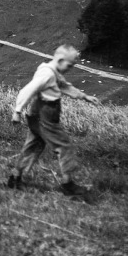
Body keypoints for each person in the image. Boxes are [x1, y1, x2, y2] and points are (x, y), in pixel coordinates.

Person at [7, 44, 99, 196]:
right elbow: (28, 90)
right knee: (64, 146)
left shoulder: (51, 71)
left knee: (34, 145)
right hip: (45, 116)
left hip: (38, 115)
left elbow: (64, 86)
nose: (70, 69)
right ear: (61, 60)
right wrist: (17, 111)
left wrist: (84, 97)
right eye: (69, 66)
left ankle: (15, 177)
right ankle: (68, 184)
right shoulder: (47, 75)